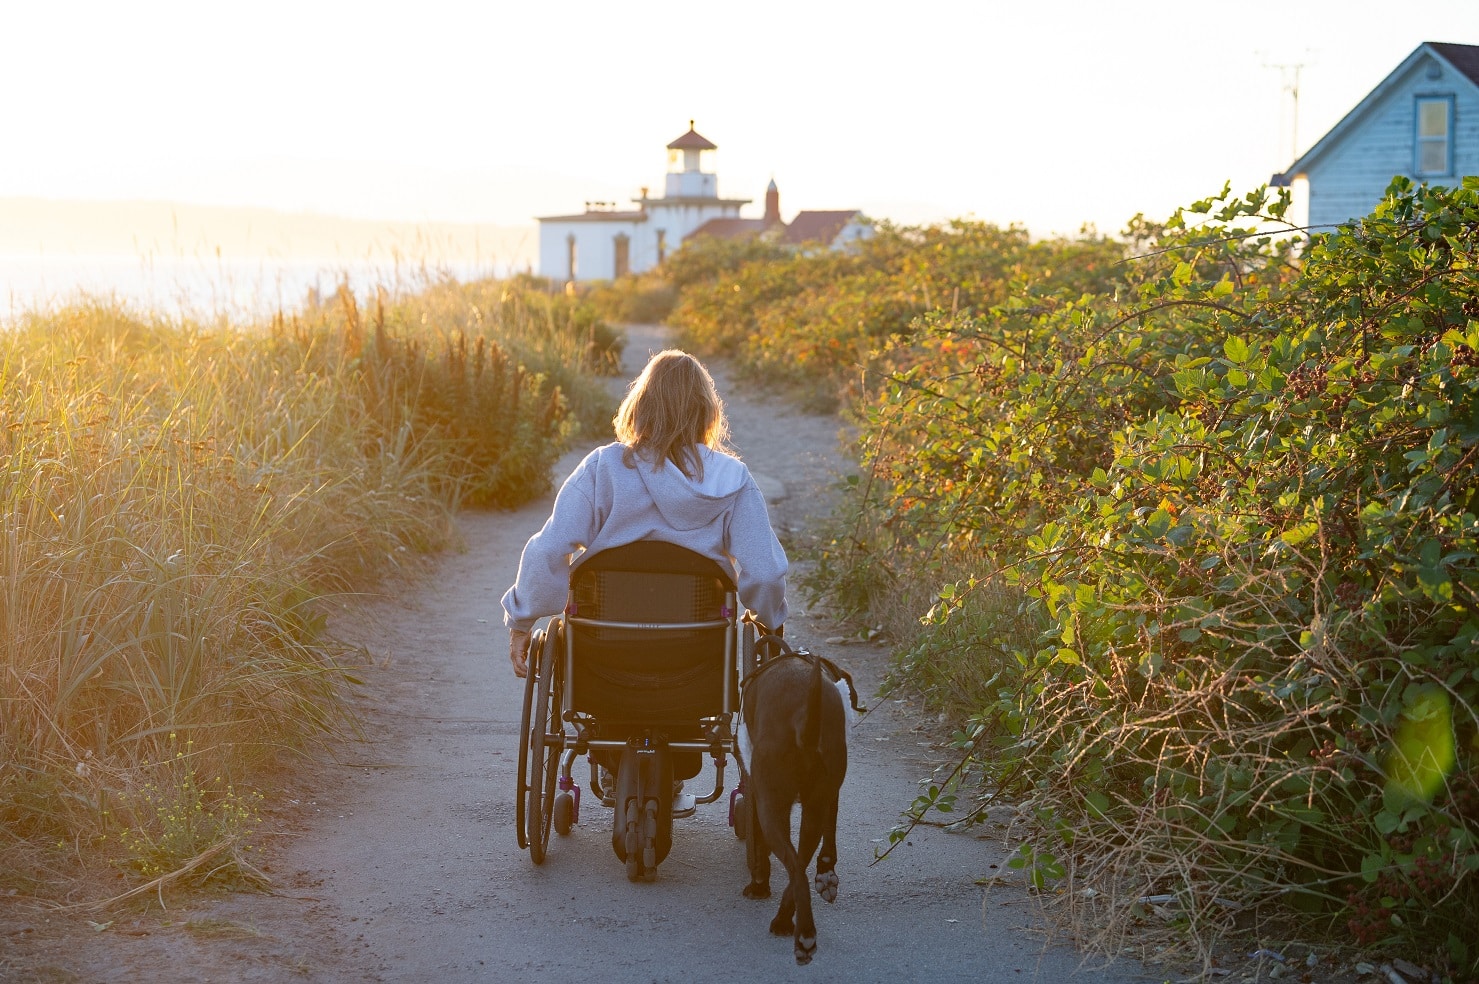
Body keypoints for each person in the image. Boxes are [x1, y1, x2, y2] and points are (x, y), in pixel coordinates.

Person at [501, 348, 788, 678]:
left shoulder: (601, 468)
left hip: (603, 650)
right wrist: (768, 623)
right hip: (695, 656)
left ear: (639, 406)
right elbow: (765, 574)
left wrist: (521, 623)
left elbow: (548, 549)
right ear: (707, 412)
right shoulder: (733, 480)